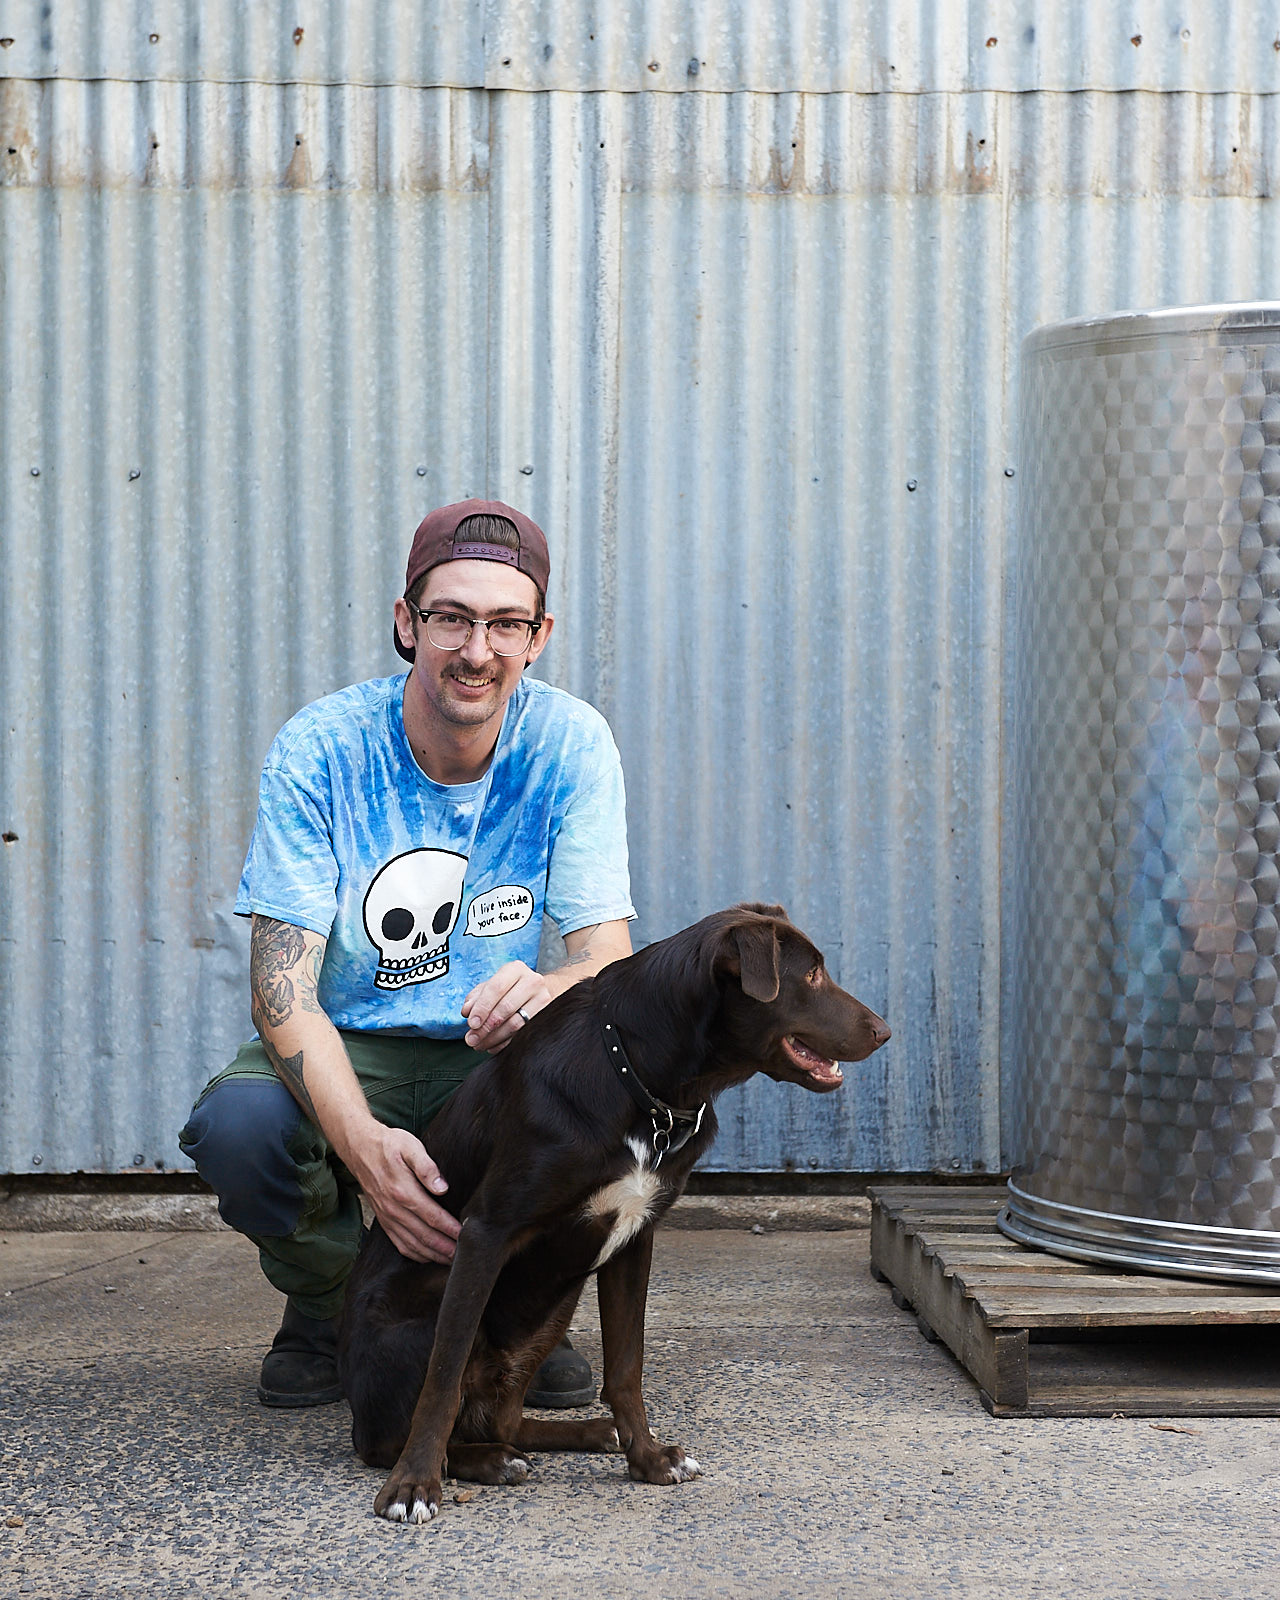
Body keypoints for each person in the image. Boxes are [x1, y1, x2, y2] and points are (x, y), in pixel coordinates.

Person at [179, 499, 635, 1408]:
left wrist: (553, 988)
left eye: (505, 623)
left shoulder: (569, 742)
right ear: (406, 623)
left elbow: (608, 958)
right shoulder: (324, 747)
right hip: (358, 1040)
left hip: (493, 1047)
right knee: (242, 1129)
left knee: (610, 1087)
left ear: (538, 636)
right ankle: (334, 1306)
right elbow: (282, 994)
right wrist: (364, 1152)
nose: (477, 650)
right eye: (451, 618)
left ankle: (512, 1316)